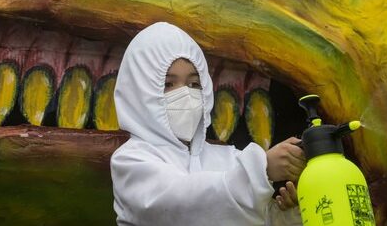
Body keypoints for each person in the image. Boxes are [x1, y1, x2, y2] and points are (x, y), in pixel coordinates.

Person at [110, 22, 305, 225]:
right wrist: (261, 169)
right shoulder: (131, 161)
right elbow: (181, 205)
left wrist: (284, 216)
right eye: (168, 84)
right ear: (140, 92)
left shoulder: (230, 158)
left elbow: (240, 215)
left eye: (194, 84)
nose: (185, 93)